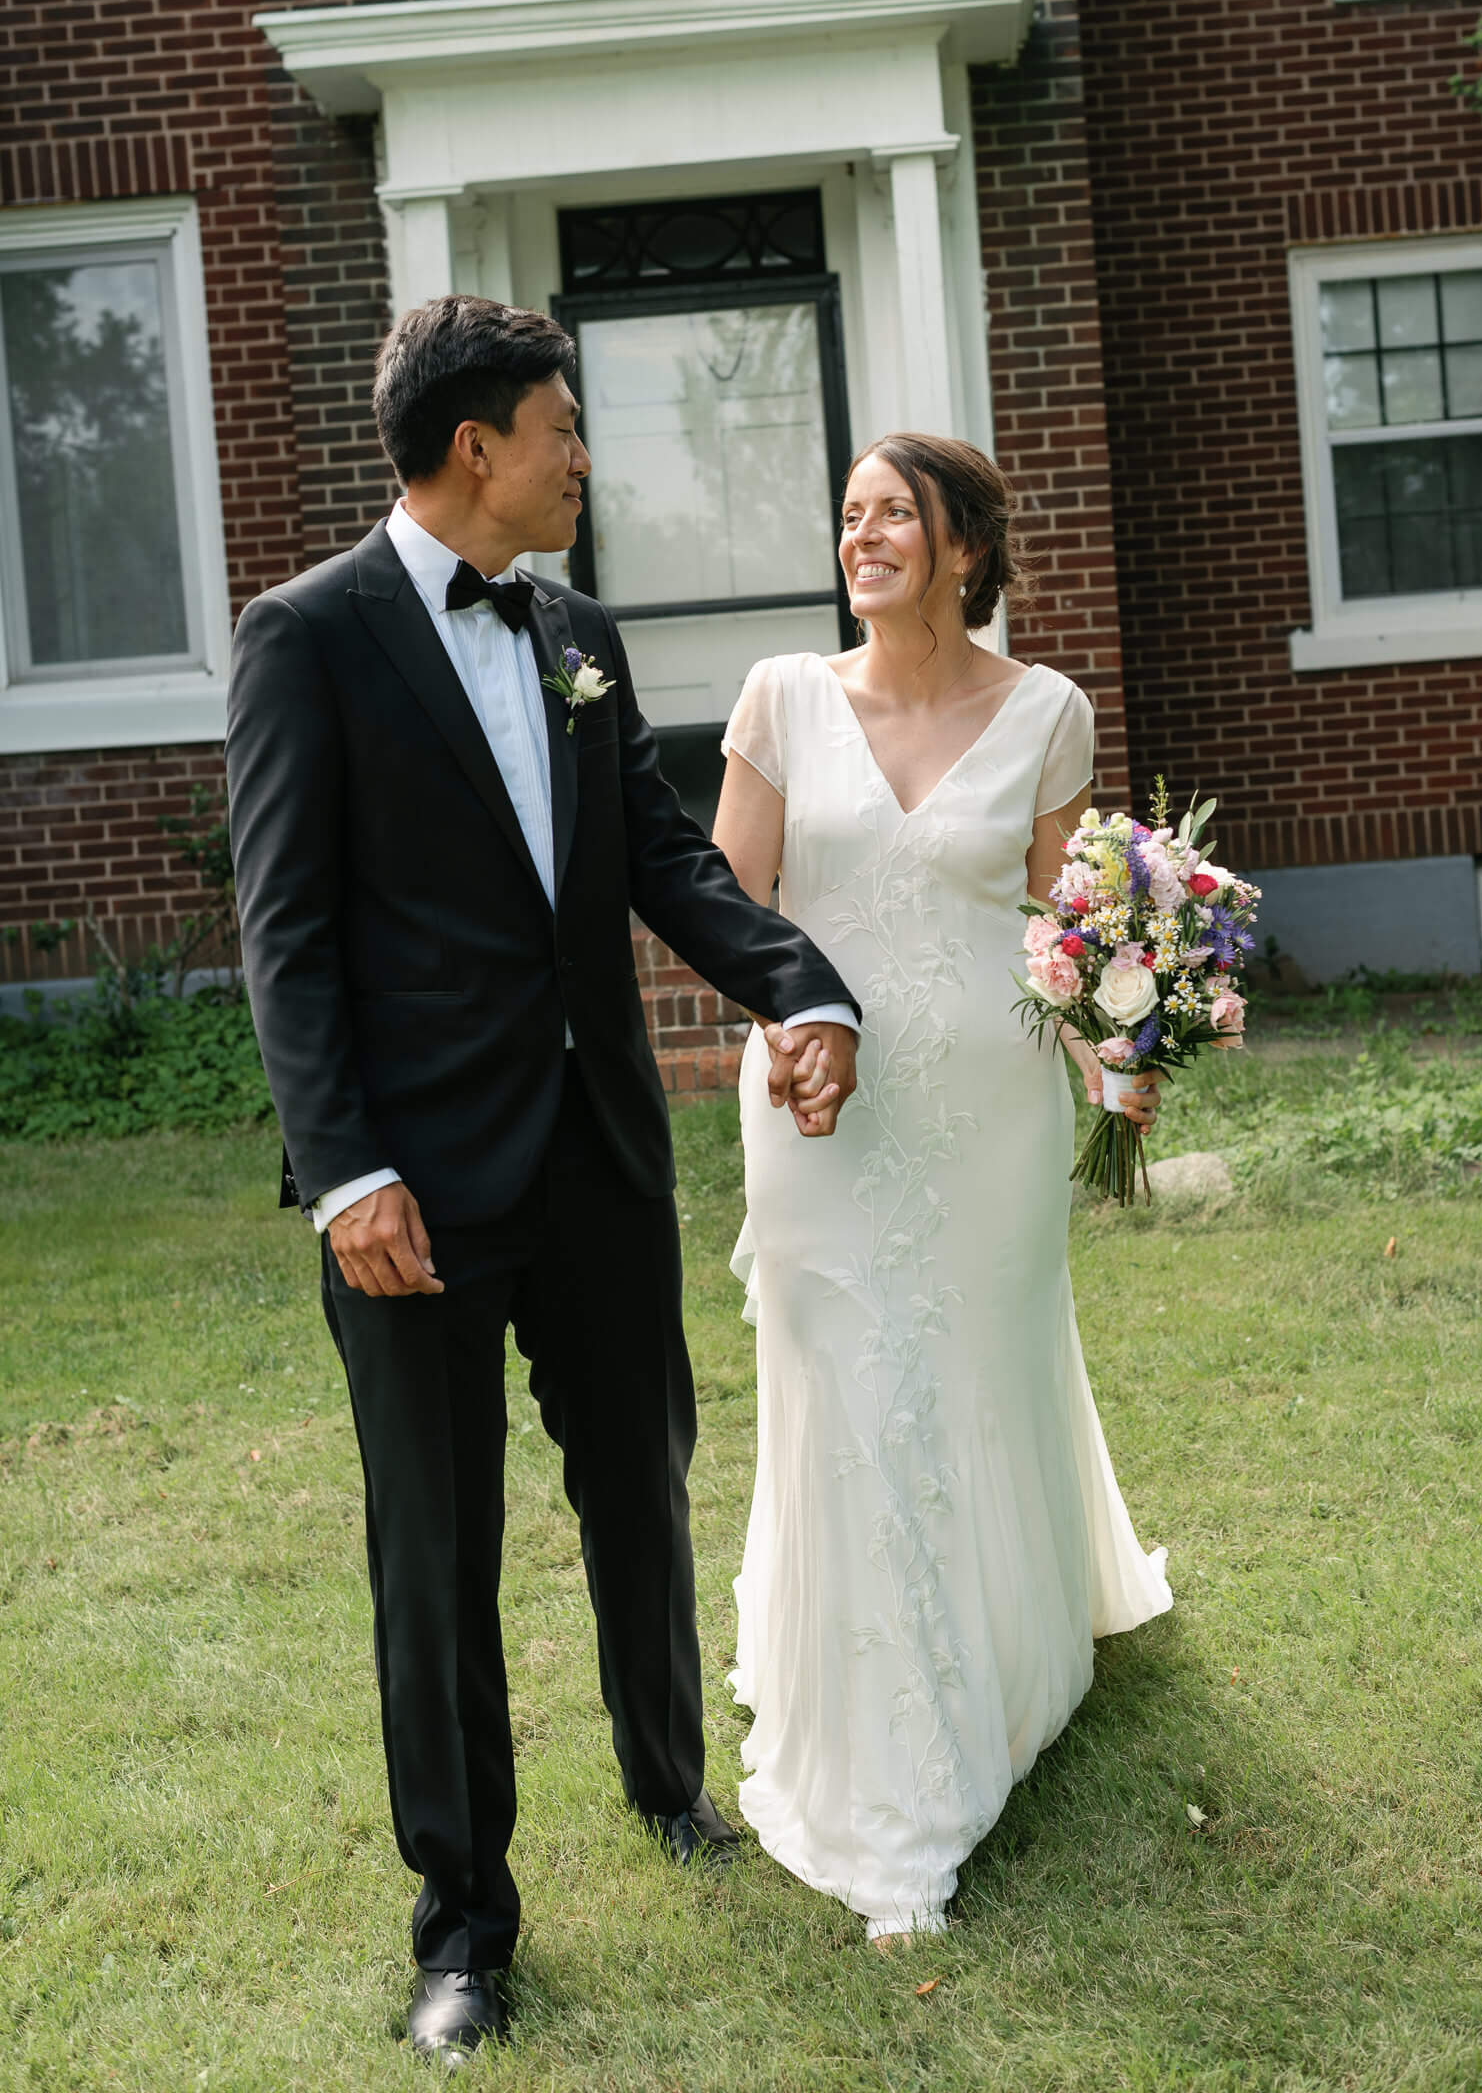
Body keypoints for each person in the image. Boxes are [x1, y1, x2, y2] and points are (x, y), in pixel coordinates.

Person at [225, 297, 861, 2063]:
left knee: (641, 1491)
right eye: (564, 427)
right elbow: (286, 939)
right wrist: (346, 1173)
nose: (588, 456)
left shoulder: (577, 628)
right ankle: (465, 1933)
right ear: (474, 446)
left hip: (596, 1157)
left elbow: (659, 853)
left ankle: (672, 1787)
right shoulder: (305, 638)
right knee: (434, 1559)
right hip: (413, 1190)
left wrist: (799, 981)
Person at [711, 432, 1173, 1946]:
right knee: (844, 1367)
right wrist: (784, 1031)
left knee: (976, 1359)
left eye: (892, 514)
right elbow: (729, 904)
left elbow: (1073, 918)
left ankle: (998, 1660)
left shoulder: (1044, 708)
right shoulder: (782, 697)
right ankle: (867, 1722)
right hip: (816, 1097)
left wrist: (1125, 1057)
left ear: (963, 545)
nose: (862, 536)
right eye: (846, 515)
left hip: (986, 1104)